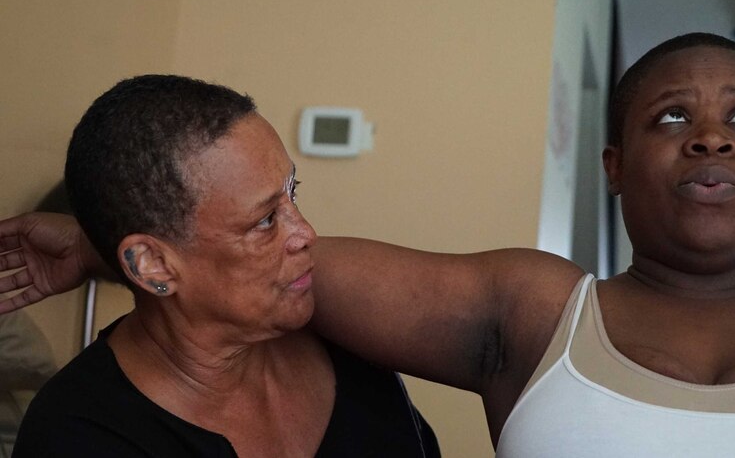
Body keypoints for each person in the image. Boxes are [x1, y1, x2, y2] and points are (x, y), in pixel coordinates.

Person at [3, 33, 735, 456]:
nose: (711, 137)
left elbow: (260, 258)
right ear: (613, 164)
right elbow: (249, 271)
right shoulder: (530, 312)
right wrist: (98, 241)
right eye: (672, 115)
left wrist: (97, 243)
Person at [0, 75, 439, 457]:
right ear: (152, 264)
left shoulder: (346, 337)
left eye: (293, 193)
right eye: (265, 220)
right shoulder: (77, 435)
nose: (306, 233)